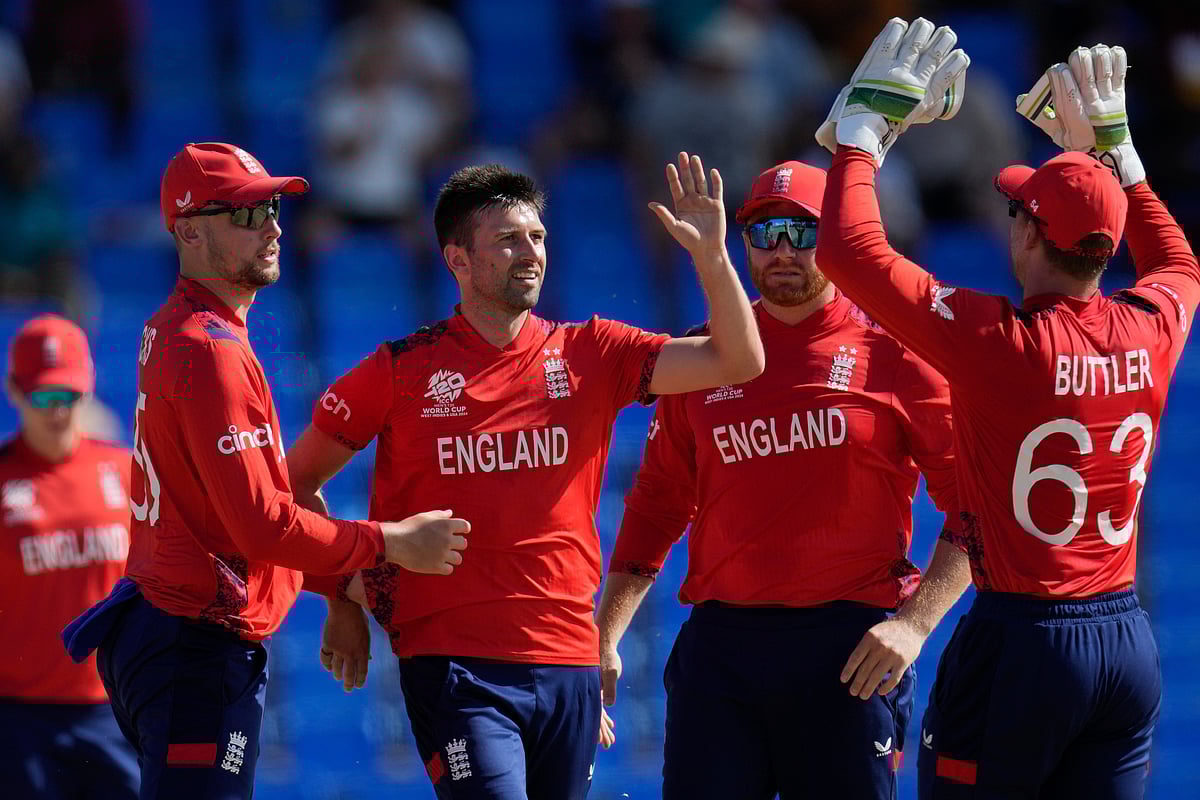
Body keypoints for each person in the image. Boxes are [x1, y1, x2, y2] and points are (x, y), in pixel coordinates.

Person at [286, 152, 764, 799]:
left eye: (538, 236)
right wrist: (338, 590)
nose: (531, 252)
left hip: (569, 659)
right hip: (455, 663)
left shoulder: (593, 352)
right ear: (457, 260)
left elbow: (736, 360)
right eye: (508, 240)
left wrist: (711, 256)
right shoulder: (400, 370)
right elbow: (292, 483)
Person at [816, 23, 1196, 797]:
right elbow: (1179, 262)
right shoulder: (1153, 324)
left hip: (1023, 641)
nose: (1011, 218)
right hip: (1124, 641)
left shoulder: (1001, 341)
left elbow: (850, 252)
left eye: (1019, 211)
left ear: (1027, 235)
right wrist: (1121, 155)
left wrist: (861, 131)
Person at [60, 142, 470, 799]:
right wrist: (392, 543)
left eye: (272, 207)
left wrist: (337, 589)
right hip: (190, 647)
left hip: (168, 635)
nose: (273, 225)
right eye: (246, 213)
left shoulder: (178, 329)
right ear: (190, 231)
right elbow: (261, 527)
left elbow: (231, 514)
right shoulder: (209, 350)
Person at [595, 159, 970, 800]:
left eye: (804, 232)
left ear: (834, 240)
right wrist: (605, 633)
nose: (783, 251)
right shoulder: (706, 354)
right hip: (723, 649)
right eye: (766, 232)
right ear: (744, 244)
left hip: (849, 649)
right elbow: (657, 505)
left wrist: (913, 625)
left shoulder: (897, 354)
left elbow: (975, 510)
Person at [0, 314, 138, 798]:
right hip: (18, 720)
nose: (58, 410)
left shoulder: (124, 472)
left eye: (70, 394)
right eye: (44, 396)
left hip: (115, 711)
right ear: (14, 390)